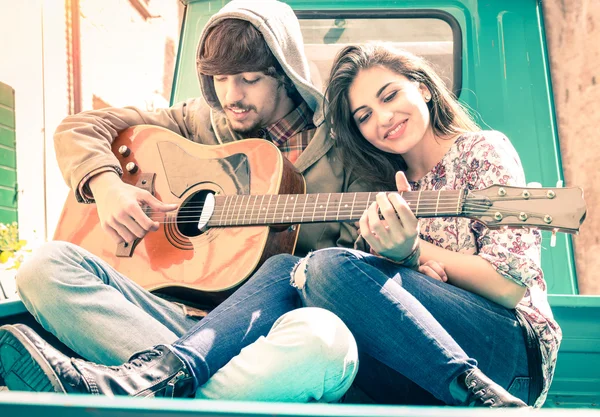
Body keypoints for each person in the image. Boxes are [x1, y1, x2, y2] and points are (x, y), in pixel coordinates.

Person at [0, 0, 361, 402]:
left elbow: (349, 271)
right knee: (42, 267)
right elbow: (80, 128)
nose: (231, 95)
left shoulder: (345, 151)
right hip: (166, 319)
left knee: (322, 338)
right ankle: (188, 383)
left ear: (286, 74)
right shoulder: (198, 122)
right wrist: (107, 186)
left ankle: (141, 382)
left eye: (248, 78)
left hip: (261, 334)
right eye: (219, 79)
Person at [288, 43, 561, 408]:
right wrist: (413, 274)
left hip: (509, 354)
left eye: (390, 96)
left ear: (424, 88)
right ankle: (188, 367)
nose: (383, 118)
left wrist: (414, 252)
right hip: (420, 359)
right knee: (286, 271)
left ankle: (482, 396)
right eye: (364, 116)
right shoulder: (383, 192)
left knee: (326, 265)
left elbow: (509, 287)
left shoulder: (481, 151)